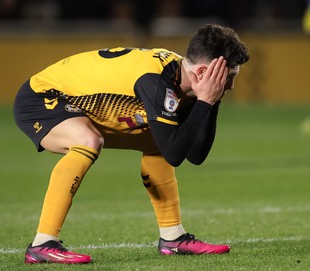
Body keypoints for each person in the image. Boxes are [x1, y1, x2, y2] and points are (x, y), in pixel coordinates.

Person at [13, 23, 249, 264]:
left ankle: (173, 239)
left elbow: (196, 154)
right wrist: (206, 101)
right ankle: (43, 242)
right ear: (202, 73)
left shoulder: (183, 80)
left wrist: (210, 101)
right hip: (43, 97)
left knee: (158, 141)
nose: (231, 86)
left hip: (90, 106)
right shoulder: (157, 83)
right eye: (228, 77)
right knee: (89, 141)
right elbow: (176, 155)